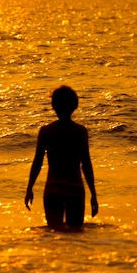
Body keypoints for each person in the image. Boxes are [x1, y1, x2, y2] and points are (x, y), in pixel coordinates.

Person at [25, 85, 98, 231]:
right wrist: (93, 194)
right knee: (76, 234)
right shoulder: (80, 131)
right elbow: (86, 164)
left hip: (54, 188)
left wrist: (29, 188)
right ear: (75, 106)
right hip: (75, 189)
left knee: (54, 233)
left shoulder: (46, 131)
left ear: (53, 106)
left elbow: (37, 162)